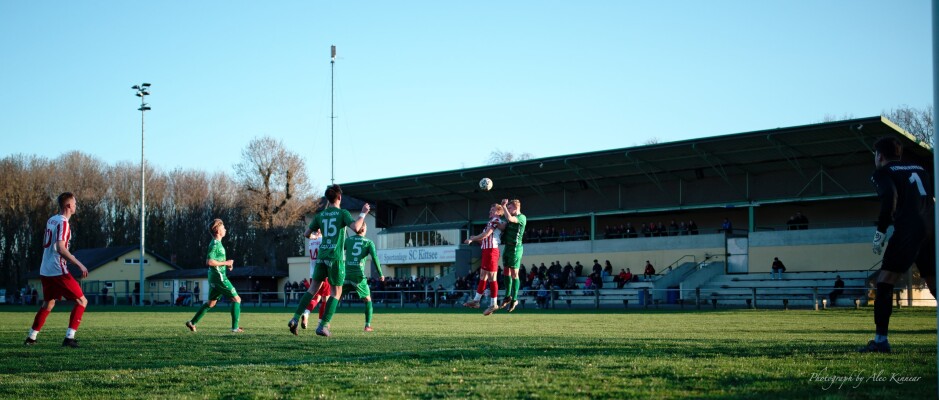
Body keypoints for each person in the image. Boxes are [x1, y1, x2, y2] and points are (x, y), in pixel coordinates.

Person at [862, 137, 936, 353]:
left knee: (884, 281)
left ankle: (880, 341)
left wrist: (881, 230)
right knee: (934, 284)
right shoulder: (920, 168)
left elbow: (889, 198)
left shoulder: (883, 172)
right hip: (932, 227)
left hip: (909, 229)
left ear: (880, 156)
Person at [288, 184, 370, 337]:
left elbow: (306, 233)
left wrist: (314, 237)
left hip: (321, 256)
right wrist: (363, 213)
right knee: (336, 292)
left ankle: (295, 318)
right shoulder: (342, 213)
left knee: (312, 289)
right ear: (339, 197)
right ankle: (323, 325)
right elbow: (357, 228)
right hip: (335, 258)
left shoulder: (321, 215)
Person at [24, 192, 89, 348]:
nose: (75, 206)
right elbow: (60, 248)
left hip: (45, 269)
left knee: (48, 304)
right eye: (74, 203)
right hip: (57, 269)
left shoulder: (51, 220)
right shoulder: (63, 223)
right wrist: (78, 263)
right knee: (82, 301)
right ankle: (69, 338)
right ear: (68, 206)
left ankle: (31, 338)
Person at [185, 219, 243, 333]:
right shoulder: (215, 244)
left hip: (214, 276)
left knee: (211, 303)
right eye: (223, 228)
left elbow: (216, 261)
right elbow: (210, 262)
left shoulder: (218, 244)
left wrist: (226, 265)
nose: (225, 229)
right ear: (218, 230)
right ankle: (235, 328)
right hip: (218, 277)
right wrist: (226, 263)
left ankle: (192, 322)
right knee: (236, 299)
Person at [463, 203, 505, 316]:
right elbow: (485, 238)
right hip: (487, 251)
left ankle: (493, 303)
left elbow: (486, 234)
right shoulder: (491, 221)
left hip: (492, 251)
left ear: (499, 212)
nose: (490, 212)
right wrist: (476, 239)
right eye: (490, 210)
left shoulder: (495, 220)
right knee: (483, 276)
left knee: (492, 278)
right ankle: (476, 301)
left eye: (493, 210)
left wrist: (472, 239)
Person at [343, 222, 384, 331]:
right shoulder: (368, 242)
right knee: (367, 299)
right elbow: (375, 258)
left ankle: (325, 323)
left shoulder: (348, 240)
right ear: (364, 229)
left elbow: (338, 251)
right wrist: (380, 274)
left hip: (346, 275)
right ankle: (367, 325)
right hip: (358, 276)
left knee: (335, 297)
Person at [497, 198, 526, 312]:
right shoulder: (510, 219)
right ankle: (507, 296)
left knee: (514, 274)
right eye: (507, 208)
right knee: (505, 272)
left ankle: (514, 299)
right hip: (507, 247)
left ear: (516, 207)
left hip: (515, 248)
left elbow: (509, 218)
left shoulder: (521, 217)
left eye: (509, 208)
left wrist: (503, 206)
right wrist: (494, 221)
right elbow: (503, 225)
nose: (507, 210)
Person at [299, 229, 330, 330]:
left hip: (313, 274)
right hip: (324, 273)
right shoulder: (323, 240)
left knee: (316, 298)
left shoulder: (311, 241)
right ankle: (321, 323)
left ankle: (306, 314)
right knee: (325, 299)